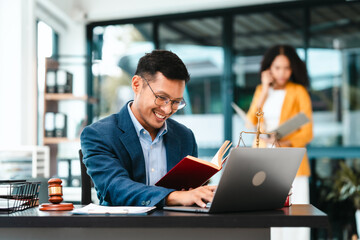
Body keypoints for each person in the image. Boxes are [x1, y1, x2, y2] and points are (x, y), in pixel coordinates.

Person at [80, 50, 215, 208]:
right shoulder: (99, 135)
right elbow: (116, 188)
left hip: (176, 229)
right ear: (137, 85)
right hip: (122, 229)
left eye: (176, 102)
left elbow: (191, 192)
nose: (167, 110)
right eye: (161, 98)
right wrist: (173, 196)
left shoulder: (185, 137)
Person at [246, 45, 313, 240]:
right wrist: (265, 90)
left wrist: (285, 141)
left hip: (292, 159)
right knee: (267, 213)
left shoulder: (299, 91)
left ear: (293, 69)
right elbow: (251, 121)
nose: (282, 73)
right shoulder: (261, 90)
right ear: (269, 69)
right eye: (277, 68)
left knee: (296, 214)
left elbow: (307, 132)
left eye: (287, 68)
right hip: (264, 159)